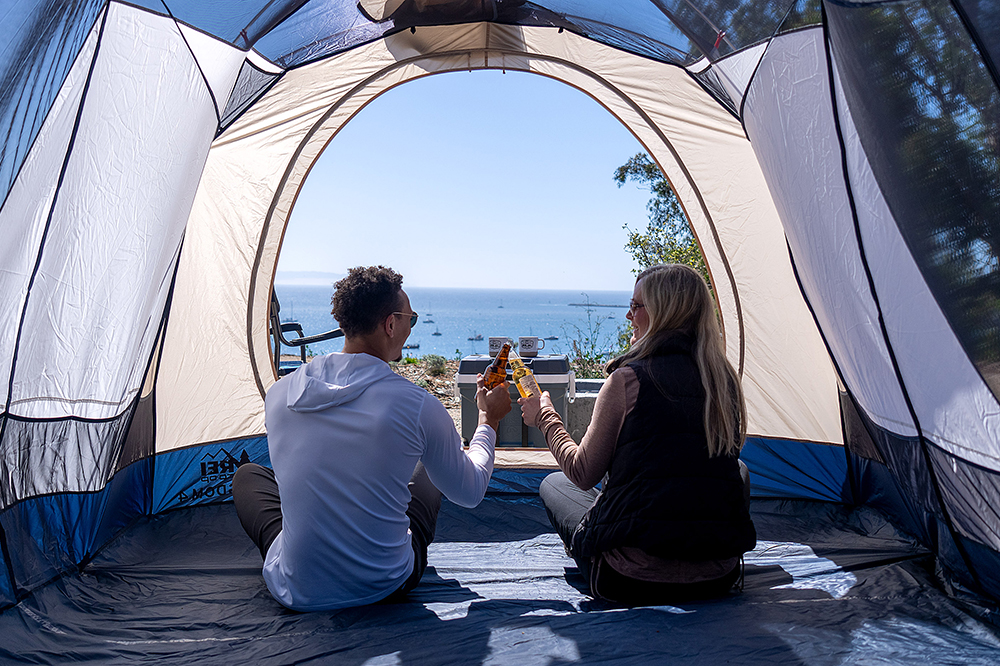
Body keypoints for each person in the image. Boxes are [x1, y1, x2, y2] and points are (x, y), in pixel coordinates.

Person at [233, 265, 511, 611]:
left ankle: (304, 559)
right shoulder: (416, 405)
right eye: (411, 318)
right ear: (390, 324)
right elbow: (470, 492)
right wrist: (488, 420)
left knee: (247, 476)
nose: (411, 326)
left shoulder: (280, 394)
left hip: (295, 589)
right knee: (427, 472)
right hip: (383, 584)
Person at [519, 264, 756, 605]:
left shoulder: (627, 380)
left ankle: (598, 553)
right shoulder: (723, 381)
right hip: (718, 577)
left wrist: (545, 417)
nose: (629, 316)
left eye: (636, 306)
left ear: (662, 312)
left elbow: (583, 473)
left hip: (628, 579)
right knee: (739, 471)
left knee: (554, 484)